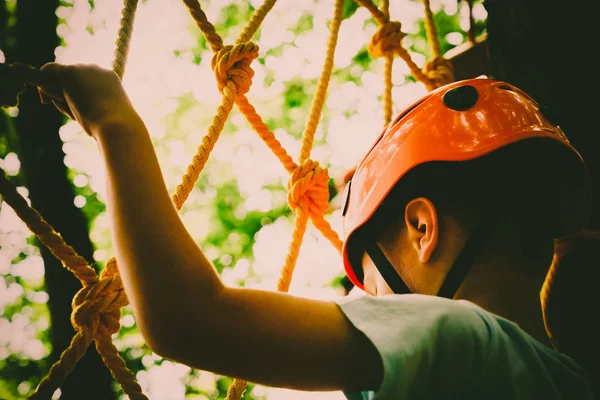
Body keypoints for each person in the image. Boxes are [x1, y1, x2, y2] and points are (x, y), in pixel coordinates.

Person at [37, 62, 595, 399]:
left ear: (422, 227)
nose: (359, 298)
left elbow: (188, 319)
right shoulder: (571, 381)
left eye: (367, 278)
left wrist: (115, 121)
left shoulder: (457, 339)